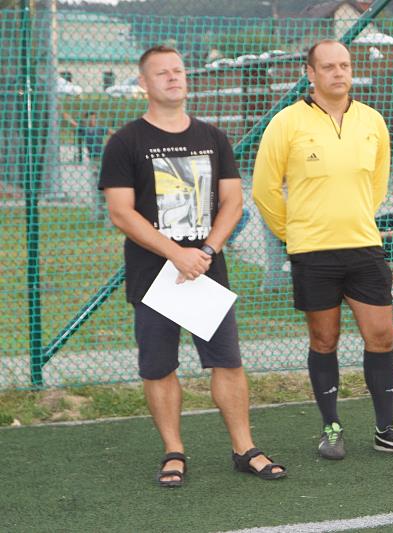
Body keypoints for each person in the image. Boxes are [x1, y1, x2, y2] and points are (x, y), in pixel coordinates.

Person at [99, 45, 286, 488]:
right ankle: (173, 452)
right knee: (159, 367)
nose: (173, 78)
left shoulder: (213, 137)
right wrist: (175, 253)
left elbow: (233, 202)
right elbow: (122, 212)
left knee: (228, 362)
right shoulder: (125, 142)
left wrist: (206, 250)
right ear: (143, 84)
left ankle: (244, 449)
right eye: (161, 73)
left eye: (178, 71)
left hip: (205, 270)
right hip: (154, 277)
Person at [252, 39, 393, 460]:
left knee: (381, 335)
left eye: (344, 65)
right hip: (313, 253)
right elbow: (264, 189)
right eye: (328, 66)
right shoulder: (286, 122)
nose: (338, 73)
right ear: (310, 73)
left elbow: (377, 184)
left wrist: (355, 218)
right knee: (324, 338)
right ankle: (331, 427)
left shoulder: (372, 121)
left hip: (363, 247)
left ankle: (386, 431)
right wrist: (294, 233)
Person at [64, 111, 111, 221]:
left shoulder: (100, 129)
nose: (92, 120)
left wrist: (108, 144)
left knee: (105, 186)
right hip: (93, 160)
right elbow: (73, 123)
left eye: (94, 118)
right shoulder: (85, 130)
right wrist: (66, 116)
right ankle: (98, 212)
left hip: (102, 159)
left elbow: (114, 133)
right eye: (90, 118)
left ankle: (106, 213)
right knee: (95, 186)